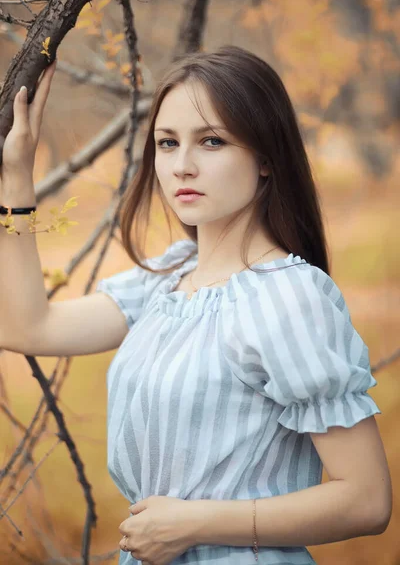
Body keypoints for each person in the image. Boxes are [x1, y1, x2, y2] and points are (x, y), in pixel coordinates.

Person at [0, 46, 392, 565]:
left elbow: (366, 499)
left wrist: (193, 524)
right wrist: (17, 181)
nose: (182, 165)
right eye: (167, 142)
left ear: (266, 159)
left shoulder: (289, 297)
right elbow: (26, 327)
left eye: (211, 141)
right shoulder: (168, 279)